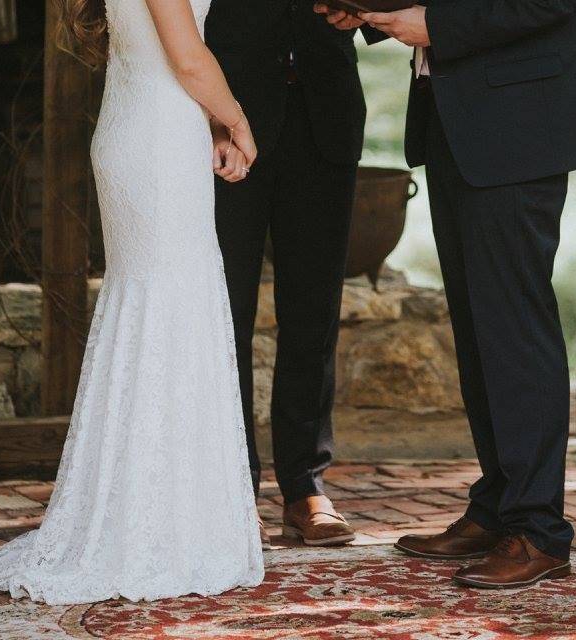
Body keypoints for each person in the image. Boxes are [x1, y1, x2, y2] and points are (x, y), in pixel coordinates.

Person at [0, 0, 265, 604]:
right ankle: (154, 529)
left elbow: (168, 48)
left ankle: (163, 515)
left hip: (155, 124)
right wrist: (237, 119)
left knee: (159, 314)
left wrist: (211, 124)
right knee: (166, 313)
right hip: (157, 140)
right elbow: (188, 58)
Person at [318, 0, 576, 588]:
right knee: (477, 328)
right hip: (453, 118)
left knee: (515, 326)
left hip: (518, 124)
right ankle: (499, 506)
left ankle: (539, 530)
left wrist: (440, 26)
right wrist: (372, 10)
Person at [204, 0, 373, 548]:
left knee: (314, 311)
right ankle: (231, 487)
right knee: (225, 311)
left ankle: (305, 485)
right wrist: (208, 113)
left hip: (325, 111)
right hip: (230, 116)